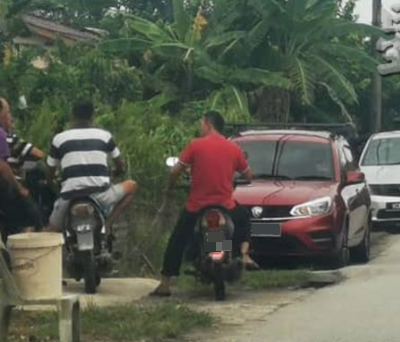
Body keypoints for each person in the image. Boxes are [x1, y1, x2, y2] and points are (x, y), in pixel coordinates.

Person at [151, 111, 256, 297]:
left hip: (197, 207)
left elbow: (175, 171)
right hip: (226, 206)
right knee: (246, 218)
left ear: (208, 124)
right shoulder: (233, 148)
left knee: (177, 239)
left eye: (201, 123)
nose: (200, 127)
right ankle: (244, 254)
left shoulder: (195, 145)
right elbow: (249, 175)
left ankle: (165, 283)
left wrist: (170, 188)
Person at [46, 100, 138, 231]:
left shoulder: (59, 139)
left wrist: (55, 186)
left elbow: (50, 172)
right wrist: (116, 171)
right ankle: (106, 226)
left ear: (72, 116)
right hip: (101, 196)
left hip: (69, 198)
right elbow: (120, 164)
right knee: (132, 186)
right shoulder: (105, 136)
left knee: (49, 232)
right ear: (92, 116)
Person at [0, 97, 43, 235]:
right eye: (8, 113)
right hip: (4, 189)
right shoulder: (7, 137)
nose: (10, 117)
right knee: (33, 216)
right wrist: (20, 189)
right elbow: (2, 166)